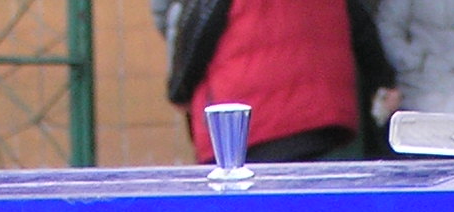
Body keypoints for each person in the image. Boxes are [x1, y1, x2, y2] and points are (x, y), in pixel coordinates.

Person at [162, 0, 399, 162]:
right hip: (321, 118)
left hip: (248, 124)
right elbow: (360, 23)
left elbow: (200, 26)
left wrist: (180, 90)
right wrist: (383, 78)